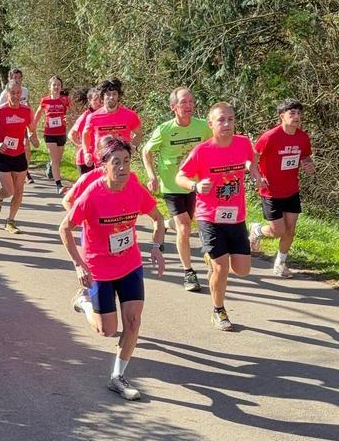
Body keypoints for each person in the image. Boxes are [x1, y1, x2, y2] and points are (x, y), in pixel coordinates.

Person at [60, 137, 166, 401]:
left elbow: (158, 218)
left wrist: (156, 247)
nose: (122, 167)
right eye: (116, 162)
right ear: (104, 166)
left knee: (133, 322)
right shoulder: (93, 193)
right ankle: (84, 303)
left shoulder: (135, 189)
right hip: (99, 269)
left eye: (127, 161)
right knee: (107, 330)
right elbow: (64, 228)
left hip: (130, 264)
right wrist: (79, 264)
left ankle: (117, 376)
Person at [176, 102, 263, 331]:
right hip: (209, 217)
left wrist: (254, 172)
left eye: (230, 119)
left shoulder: (243, 143)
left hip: (236, 217)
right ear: (211, 124)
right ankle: (218, 310)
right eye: (221, 120)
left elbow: (252, 157)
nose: (227, 124)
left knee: (242, 270)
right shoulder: (202, 151)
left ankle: (212, 259)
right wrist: (195, 186)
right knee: (221, 268)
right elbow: (180, 177)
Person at [142, 87, 212, 292]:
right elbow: (146, 151)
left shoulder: (203, 127)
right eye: (183, 102)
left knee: (186, 222)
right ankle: (188, 272)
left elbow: (213, 146)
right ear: (173, 107)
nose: (188, 106)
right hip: (172, 185)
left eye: (191, 102)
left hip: (195, 184)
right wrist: (152, 175)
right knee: (184, 227)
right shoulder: (164, 130)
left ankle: (165, 224)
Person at [249, 98, 315, 278]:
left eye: (299, 113)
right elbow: (253, 156)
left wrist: (308, 164)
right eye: (292, 113)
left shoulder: (302, 137)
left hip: (291, 189)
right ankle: (256, 230)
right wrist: (257, 176)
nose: (296, 117)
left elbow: (306, 156)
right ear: (281, 116)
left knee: (290, 229)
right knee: (278, 230)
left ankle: (280, 263)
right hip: (270, 191)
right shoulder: (270, 136)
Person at [0, 81, 40, 234]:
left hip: (19, 153)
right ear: (7, 94)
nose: (15, 96)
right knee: (9, 190)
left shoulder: (27, 110)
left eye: (18, 93)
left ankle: (10, 221)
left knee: (19, 190)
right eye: (12, 93)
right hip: (3, 154)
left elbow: (32, 129)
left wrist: (33, 138)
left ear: (21, 94)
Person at [82, 78, 142, 167]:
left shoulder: (130, 115)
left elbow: (139, 133)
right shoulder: (93, 117)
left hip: (122, 163)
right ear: (102, 96)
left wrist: (133, 147)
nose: (111, 97)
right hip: (101, 163)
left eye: (114, 94)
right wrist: (86, 153)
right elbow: (86, 134)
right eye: (108, 94)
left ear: (119, 96)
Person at [34, 75, 72, 193]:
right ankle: (59, 185)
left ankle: (50, 166)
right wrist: (32, 128)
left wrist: (69, 117)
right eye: (54, 84)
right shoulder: (45, 100)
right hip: (49, 133)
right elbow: (38, 113)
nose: (56, 87)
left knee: (57, 160)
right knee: (55, 160)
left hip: (61, 133)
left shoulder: (65, 100)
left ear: (61, 87)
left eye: (58, 85)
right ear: (50, 87)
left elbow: (73, 112)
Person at [69, 86, 102, 175]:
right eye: (95, 100)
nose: (98, 102)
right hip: (85, 159)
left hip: (98, 157)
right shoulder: (86, 115)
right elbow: (71, 134)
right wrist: (81, 146)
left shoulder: (103, 115)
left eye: (100, 100)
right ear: (89, 101)